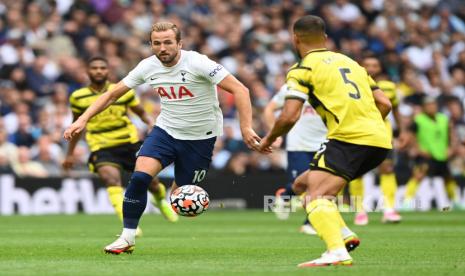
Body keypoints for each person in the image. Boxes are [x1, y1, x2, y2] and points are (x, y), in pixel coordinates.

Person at [64, 22, 260, 254]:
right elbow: (112, 94)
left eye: (168, 42)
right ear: (151, 45)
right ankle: (127, 237)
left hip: (200, 138)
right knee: (139, 178)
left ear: (179, 43)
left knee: (181, 198)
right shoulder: (147, 66)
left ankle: (171, 200)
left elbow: (241, 90)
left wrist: (246, 128)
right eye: (157, 43)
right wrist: (83, 119)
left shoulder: (198, 63)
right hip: (165, 131)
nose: (162, 48)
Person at [258, 15, 392, 267]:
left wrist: (269, 139)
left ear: (295, 38)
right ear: (325, 39)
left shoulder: (303, 69)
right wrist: (368, 127)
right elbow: (384, 103)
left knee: (315, 197)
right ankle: (344, 235)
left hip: (348, 139)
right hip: (379, 140)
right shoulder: (352, 63)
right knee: (301, 185)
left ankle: (336, 251)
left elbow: (288, 116)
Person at [62, 56, 179, 238]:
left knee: (151, 183)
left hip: (129, 142)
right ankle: (130, 225)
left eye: (102, 68)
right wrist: (69, 154)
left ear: (108, 71)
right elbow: (77, 125)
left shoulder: (121, 90)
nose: (99, 71)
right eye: (95, 68)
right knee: (111, 179)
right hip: (101, 146)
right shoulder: (78, 97)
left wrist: (150, 124)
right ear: (87, 71)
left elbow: (141, 112)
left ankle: (160, 200)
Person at [263, 83, 327, 235]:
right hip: (299, 145)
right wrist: (275, 134)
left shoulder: (332, 85)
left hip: (327, 143)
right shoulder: (292, 87)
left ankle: (309, 223)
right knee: (301, 184)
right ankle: (286, 196)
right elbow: (269, 109)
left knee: (320, 185)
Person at [349, 55, 403, 225]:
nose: (371, 68)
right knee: (355, 172)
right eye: (367, 64)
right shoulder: (352, 83)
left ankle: (389, 209)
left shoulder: (389, 87)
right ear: (361, 66)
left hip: (382, 133)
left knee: (387, 169)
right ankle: (360, 211)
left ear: (380, 68)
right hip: (357, 132)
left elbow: (395, 109)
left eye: (375, 65)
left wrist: (401, 131)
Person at [401, 96, 455, 211]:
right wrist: (418, 149)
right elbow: (411, 136)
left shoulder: (444, 119)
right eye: (428, 105)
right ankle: (406, 202)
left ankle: (455, 201)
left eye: (433, 104)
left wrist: (451, 148)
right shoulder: (418, 120)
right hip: (426, 155)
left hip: (441, 154)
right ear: (424, 107)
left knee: (448, 178)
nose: (431, 107)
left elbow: (451, 134)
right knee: (418, 176)